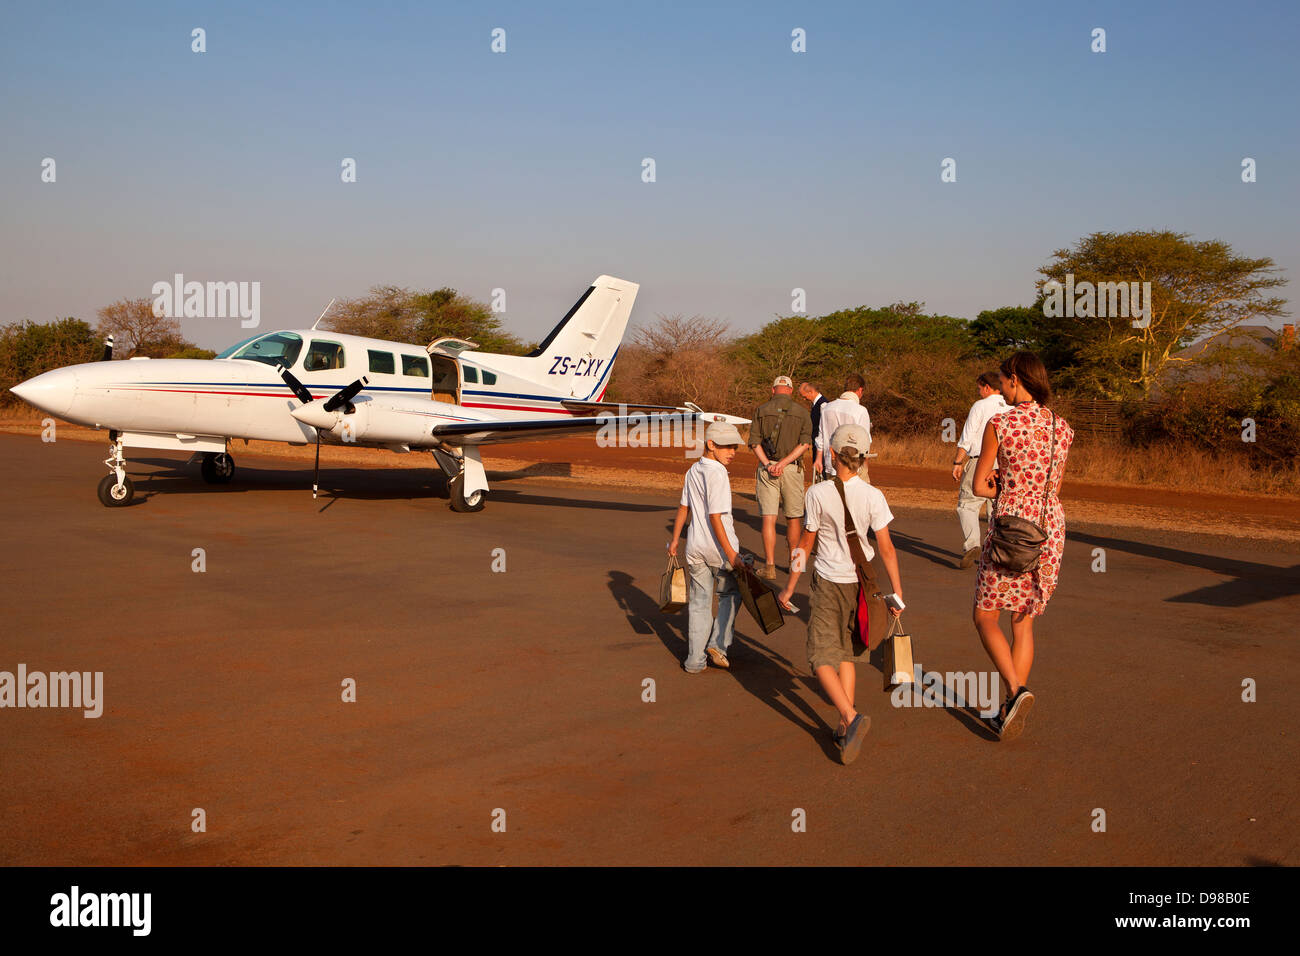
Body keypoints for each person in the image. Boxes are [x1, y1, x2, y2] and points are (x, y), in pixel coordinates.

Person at [778, 424, 903, 765]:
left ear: (832, 454)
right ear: (863, 458)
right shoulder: (874, 495)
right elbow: (887, 548)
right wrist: (897, 594)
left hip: (828, 581)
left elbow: (806, 543)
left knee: (820, 657)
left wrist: (790, 585)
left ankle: (850, 716)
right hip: (862, 584)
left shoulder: (817, 494)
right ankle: (844, 724)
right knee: (847, 654)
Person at [971, 351, 1074, 741]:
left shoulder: (1000, 422)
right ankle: (1007, 712)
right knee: (1023, 621)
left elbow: (979, 485)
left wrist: (1000, 482)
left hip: (1013, 526)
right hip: (1050, 527)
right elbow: (1055, 486)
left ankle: (1016, 693)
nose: (999, 386)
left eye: (1002, 380)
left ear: (1016, 378)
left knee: (985, 616)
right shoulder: (1062, 427)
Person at [668, 421, 747, 673]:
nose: (732, 452)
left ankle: (694, 661)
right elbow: (716, 517)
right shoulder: (718, 473)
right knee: (731, 595)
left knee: (700, 603)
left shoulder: (693, 470)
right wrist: (732, 554)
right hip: (718, 550)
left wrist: (675, 540)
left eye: (734, 447)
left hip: (695, 547)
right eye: (726, 447)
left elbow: (684, 507)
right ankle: (718, 644)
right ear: (711, 445)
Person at [749, 375, 813, 581]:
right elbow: (805, 444)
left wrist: (769, 464)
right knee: (794, 517)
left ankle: (769, 566)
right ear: (792, 391)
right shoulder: (803, 412)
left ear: (773, 389)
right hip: (792, 469)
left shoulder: (761, 410)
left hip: (767, 468)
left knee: (769, 517)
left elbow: (754, 443)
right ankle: (796, 565)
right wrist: (784, 464)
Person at [952, 371, 1008, 569]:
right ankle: (997, 549)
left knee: (967, 504)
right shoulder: (1010, 406)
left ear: (986, 387)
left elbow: (968, 436)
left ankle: (973, 544)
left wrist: (958, 462)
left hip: (980, 460)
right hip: (1003, 463)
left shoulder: (980, 406)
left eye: (979, 388)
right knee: (997, 508)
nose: (979, 392)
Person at [817, 374, 872, 482]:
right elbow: (865, 444)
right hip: (854, 467)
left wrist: (818, 459)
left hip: (831, 465)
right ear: (860, 390)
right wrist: (865, 468)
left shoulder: (826, 408)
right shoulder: (860, 410)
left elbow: (821, 438)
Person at [798, 382, 828, 480]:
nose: (804, 399)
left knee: (821, 473)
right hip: (816, 445)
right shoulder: (815, 405)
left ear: (811, 392)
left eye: (804, 396)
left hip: (822, 448)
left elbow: (824, 429)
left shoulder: (823, 405)